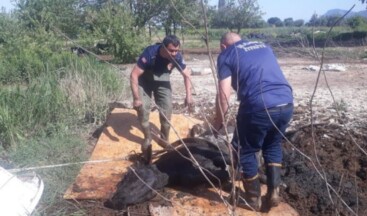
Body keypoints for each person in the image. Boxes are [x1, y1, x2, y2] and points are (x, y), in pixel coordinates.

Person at [213, 32, 293, 211]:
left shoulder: (226, 55)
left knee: (245, 150)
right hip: (286, 102)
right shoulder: (264, 46)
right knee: (272, 145)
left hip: (258, 106)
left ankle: (252, 199)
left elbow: (224, 95)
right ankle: (274, 192)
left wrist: (218, 123)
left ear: (223, 46)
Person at [130, 35, 193, 163]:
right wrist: (136, 98)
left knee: (167, 110)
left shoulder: (177, 57)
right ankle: (147, 137)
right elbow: (134, 75)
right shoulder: (150, 53)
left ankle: (164, 139)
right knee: (142, 110)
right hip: (144, 81)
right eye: (171, 50)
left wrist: (189, 95)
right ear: (163, 48)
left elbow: (187, 75)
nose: (174, 53)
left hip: (162, 80)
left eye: (176, 50)